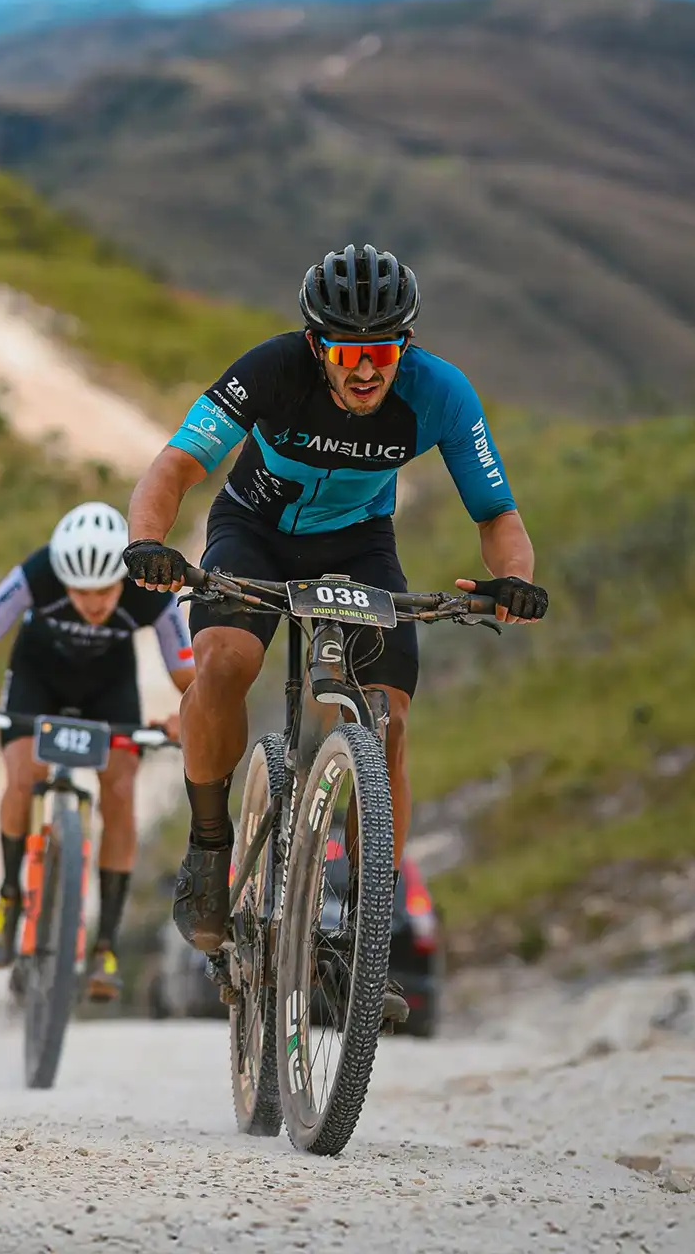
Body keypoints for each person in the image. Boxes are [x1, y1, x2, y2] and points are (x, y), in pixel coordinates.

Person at [117, 242, 547, 956]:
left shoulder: (440, 392)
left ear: (405, 344)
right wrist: (147, 542)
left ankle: (368, 922)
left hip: (358, 547)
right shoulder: (271, 369)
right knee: (222, 662)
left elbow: (498, 515)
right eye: (349, 355)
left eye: (384, 351)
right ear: (317, 347)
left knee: (392, 721)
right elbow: (176, 465)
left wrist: (515, 579)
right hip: (253, 532)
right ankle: (208, 843)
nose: (369, 371)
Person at [0, 500, 194, 1002]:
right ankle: (9, 896)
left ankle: (105, 947)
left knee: (119, 790)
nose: (94, 605)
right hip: (38, 680)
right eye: (80, 592)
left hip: (109, 690)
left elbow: (189, 676)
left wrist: (187, 712)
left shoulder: (148, 595)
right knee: (22, 774)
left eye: (104, 592)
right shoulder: (36, 573)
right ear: (60, 576)